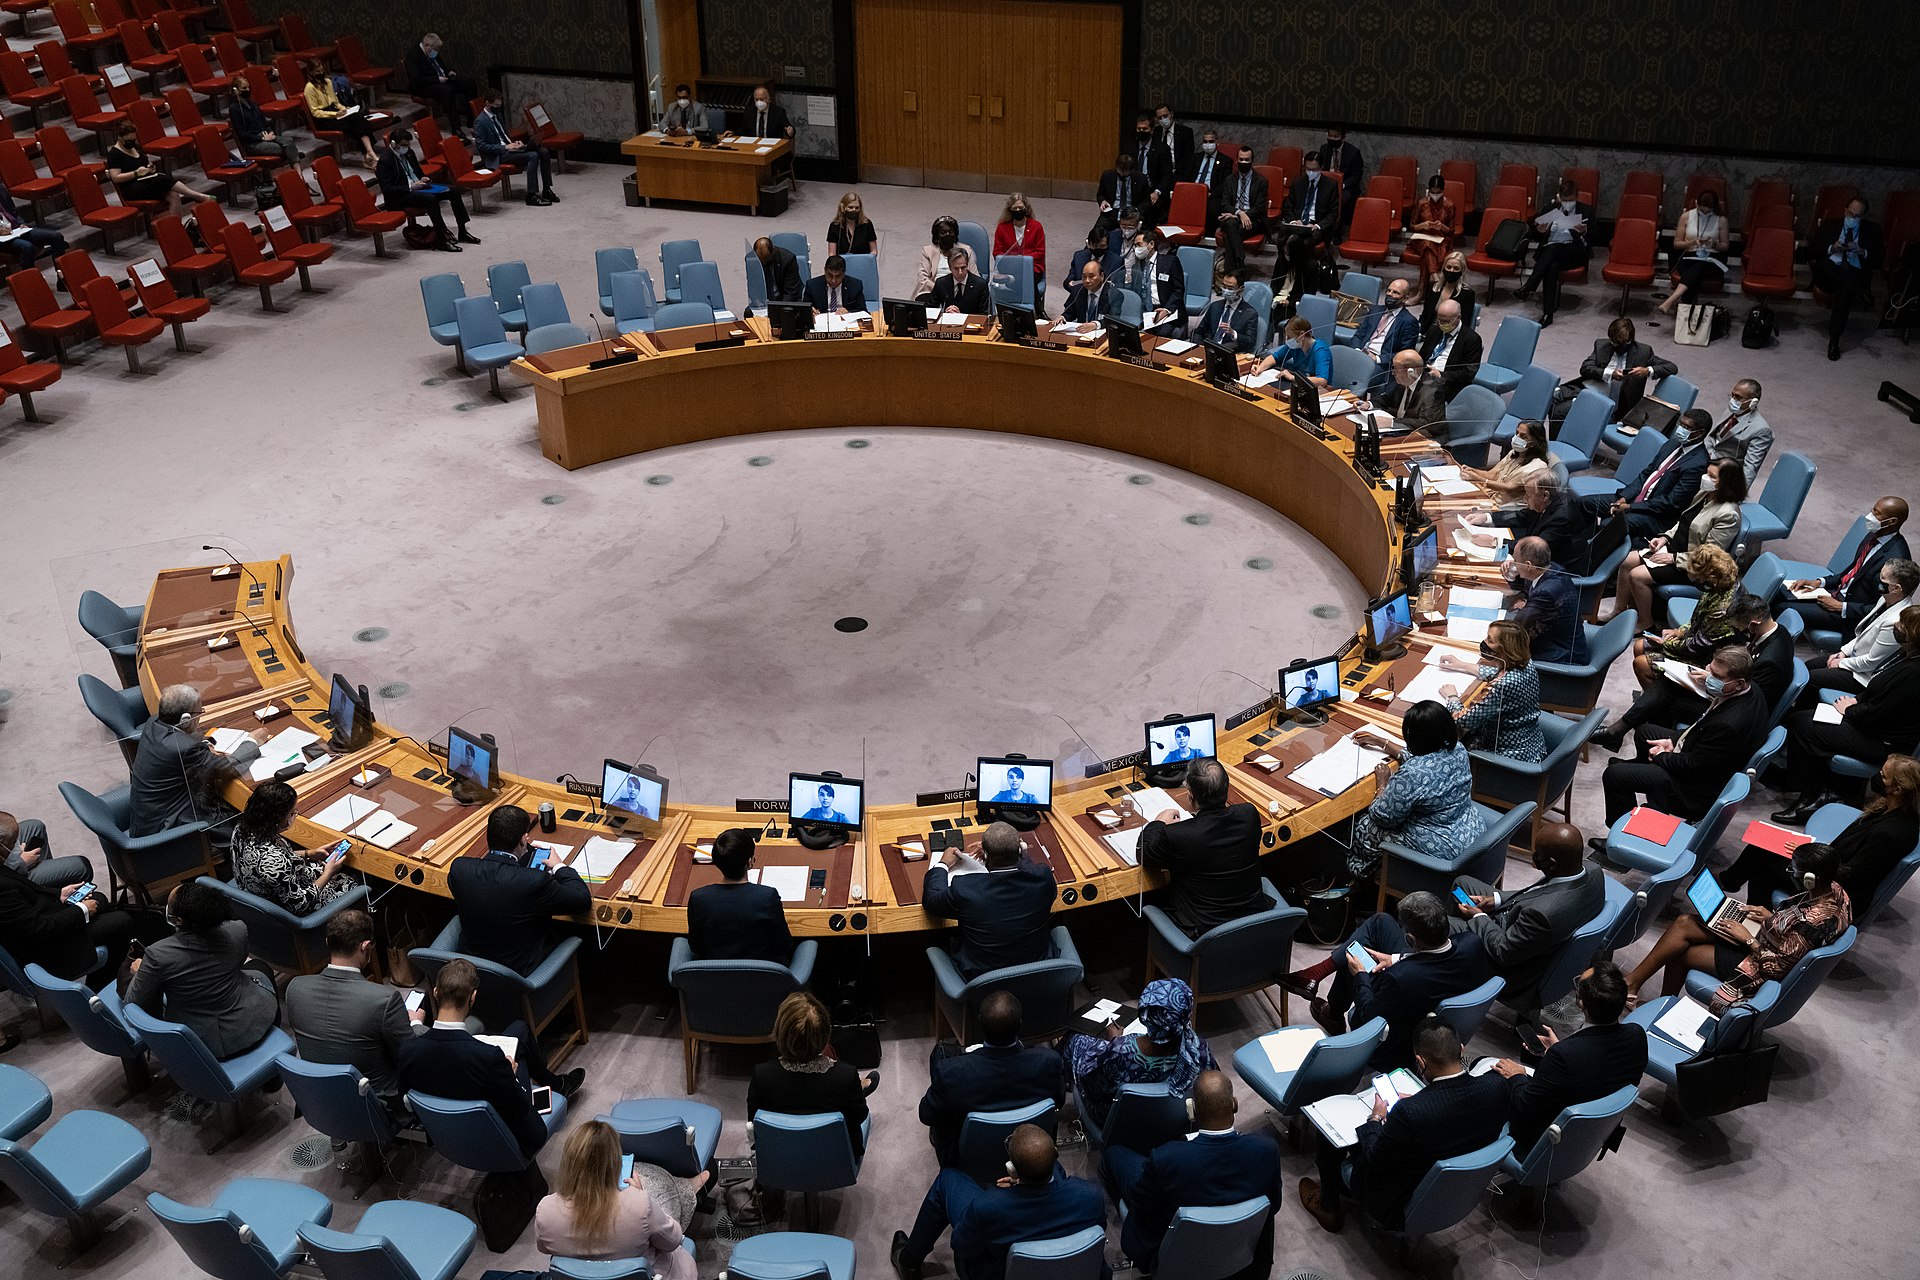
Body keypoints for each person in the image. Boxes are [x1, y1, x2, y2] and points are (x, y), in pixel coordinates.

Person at [1298, 1019, 1507, 1234]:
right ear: (1461, 1050)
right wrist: (1423, 1099)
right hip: (1455, 1190)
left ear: (1420, 1062)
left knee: (1329, 1129)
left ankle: (1328, 1207)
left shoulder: (1410, 1113)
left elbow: (1373, 1160)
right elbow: (1455, 1109)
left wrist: (1375, 1118)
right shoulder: (1497, 1087)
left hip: (1398, 1197)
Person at [1623, 841, 1850, 1007]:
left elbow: (1777, 968)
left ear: (1810, 879)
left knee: (1682, 953)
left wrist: (1747, 938)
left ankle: (1662, 1005)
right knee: (1684, 922)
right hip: (1770, 939)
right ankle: (1632, 984)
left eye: (1794, 870)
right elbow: (1793, 930)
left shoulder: (1812, 922)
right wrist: (1769, 917)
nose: (1791, 873)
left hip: (1762, 967)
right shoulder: (1836, 890)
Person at [396, 959, 582, 1160]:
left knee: (519, 1030)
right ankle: (557, 1085)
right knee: (518, 1046)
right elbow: (520, 1107)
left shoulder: (408, 1051)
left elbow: (409, 1103)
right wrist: (511, 1076)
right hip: (504, 1136)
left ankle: (557, 1084)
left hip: (448, 1137)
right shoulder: (488, 1058)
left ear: (435, 992)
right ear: (473, 997)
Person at [1112, 1071, 1283, 1279]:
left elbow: (1143, 1206)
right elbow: (1274, 1205)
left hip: (1179, 1261)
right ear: (1235, 1105)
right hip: (1246, 1262)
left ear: (1191, 1110)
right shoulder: (1266, 1150)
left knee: (1115, 1155)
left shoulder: (1166, 1159)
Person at [1300, 888, 1491, 1062]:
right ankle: (1319, 978)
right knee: (1381, 922)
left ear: (1411, 940)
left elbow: (1368, 1018)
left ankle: (1333, 1015)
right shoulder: (1472, 942)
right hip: (1433, 991)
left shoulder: (1400, 978)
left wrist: (1360, 975)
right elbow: (1436, 959)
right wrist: (1395, 959)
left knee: (1353, 956)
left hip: (1400, 1042)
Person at [895, 1123, 1105, 1280]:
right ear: (1055, 1154)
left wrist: (1000, 1193)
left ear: (1011, 1169)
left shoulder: (987, 1207)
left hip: (998, 1274)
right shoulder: (1090, 1194)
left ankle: (908, 1261)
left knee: (947, 1179)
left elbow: (963, 1247)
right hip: (1072, 1273)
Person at [1773, 605, 1920, 823]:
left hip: (1882, 742)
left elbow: (1879, 713)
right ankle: (1819, 785)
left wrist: (1849, 709)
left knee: (1805, 728)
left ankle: (1811, 797)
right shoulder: (1904, 655)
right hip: (1870, 723)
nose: (1896, 626)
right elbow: (1878, 685)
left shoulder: (1913, 674)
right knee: (1801, 718)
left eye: (1902, 625)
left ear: (1912, 635)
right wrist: (1856, 700)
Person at [1599, 645, 1769, 831]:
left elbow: (1694, 766)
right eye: (1711, 670)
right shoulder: (1749, 689)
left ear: (1739, 683)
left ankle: (1622, 831)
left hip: (1694, 788)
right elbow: (1701, 726)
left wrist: (1661, 756)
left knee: (1615, 775)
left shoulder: (1728, 725)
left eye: (1717, 676)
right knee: (1645, 732)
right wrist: (1672, 741)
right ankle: (1645, 779)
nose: (1709, 678)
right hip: (1703, 754)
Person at [1596, 593, 1792, 753]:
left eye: (1740, 628)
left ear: (1754, 625)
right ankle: (1621, 732)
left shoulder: (1770, 662)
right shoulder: (1777, 630)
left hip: (1729, 712)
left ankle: (1647, 746)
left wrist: (1711, 681)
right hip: (1728, 691)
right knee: (1668, 681)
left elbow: (1750, 701)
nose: (1738, 632)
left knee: (1664, 700)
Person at [1451, 821, 1603, 1025]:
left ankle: (1449, 958)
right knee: (1462, 884)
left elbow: (1503, 952)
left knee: (1442, 924)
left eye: (1537, 854)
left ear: (1552, 863)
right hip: (1528, 932)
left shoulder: (1543, 914)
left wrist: (1478, 917)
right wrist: (1497, 900)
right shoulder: (1592, 870)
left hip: (1515, 965)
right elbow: (1541, 892)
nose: (1533, 856)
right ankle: (1458, 960)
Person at [1487, 961, 1647, 1150]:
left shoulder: (1565, 1055)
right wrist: (1561, 1049)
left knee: (1489, 1077)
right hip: (1589, 1138)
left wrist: (1516, 1075)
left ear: (1581, 1004)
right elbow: (1599, 1073)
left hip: (1541, 1139)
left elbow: (1524, 1106)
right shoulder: (1637, 1036)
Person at [1725, 754, 1920, 909]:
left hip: (1832, 889)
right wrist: (1812, 849)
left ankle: (1740, 900)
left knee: (1762, 862)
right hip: (1832, 863)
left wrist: (1808, 857)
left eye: (1883, 776)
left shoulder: (1889, 834)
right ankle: (1734, 888)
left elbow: (1850, 877)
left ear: (1898, 790)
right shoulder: (1893, 809)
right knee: (1764, 849)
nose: (1877, 777)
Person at [127, 880, 279, 1059]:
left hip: (204, 1042)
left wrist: (139, 972)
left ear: (178, 920)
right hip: (252, 1022)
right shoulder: (237, 929)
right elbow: (238, 964)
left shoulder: (157, 955)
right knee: (259, 968)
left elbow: (133, 1002)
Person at [917, 992, 1065, 1167]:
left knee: (940, 1053)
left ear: (980, 1023)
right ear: (1020, 1025)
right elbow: (1059, 1101)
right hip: (1029, 1153)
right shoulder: (1049, 1062)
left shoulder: (951, 1073)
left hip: (968, 1158)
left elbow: (926, 1115)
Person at [536, 1120, 697, 1279]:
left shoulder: (546, 1210)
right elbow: (673, 1241)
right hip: (650, 1274)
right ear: (614, 1164)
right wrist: (640, 1195)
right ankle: (689, 1187)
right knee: (668, 1203)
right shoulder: (639, 1204)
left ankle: (688, 1187)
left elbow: (544, 1247)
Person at [284, 909, 419, 1098]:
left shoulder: (295, 988)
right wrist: (416, 1023)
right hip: (377, 1101)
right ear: (365, 947)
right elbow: (410, 1058)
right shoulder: (384, 1000)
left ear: (328, 943)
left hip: (320, 1096)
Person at [1345, 702, 1484, 883]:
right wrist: (1382, 742)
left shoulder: (1412, 773)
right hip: (1469, 835)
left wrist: (1382, 784)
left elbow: (1382, 816)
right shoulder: (1458, 749)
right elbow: (1425, 762)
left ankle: (1368, 876)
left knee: (1364, 826)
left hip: (1442, 850)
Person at [446, 803, 591, 976]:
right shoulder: (534, 881)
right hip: (517, 975)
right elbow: (582, 900)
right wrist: (559, 865)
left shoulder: (459, 869)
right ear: (523, 840)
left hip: (470, 969)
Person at [1062, 977, 1216, 1130]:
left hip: (1121, 1121)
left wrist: (1113, 1041)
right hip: (1173, 1119)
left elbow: (1091, 1086)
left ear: (1145, 1015)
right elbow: (1214, 1088)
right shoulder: (1199, 1048)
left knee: (1075, 1039)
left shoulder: (1121, 1052)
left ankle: (1056, 1090)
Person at [1610, 457, 1747, 627]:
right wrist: (1664, 538)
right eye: (1707, 473)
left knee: (1636, 576)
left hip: (1694, 566)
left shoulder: (1728, 514)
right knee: (1626, 561)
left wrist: (1674, 559)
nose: (1705, 478)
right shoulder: (1705, 494)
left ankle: (1646, 621)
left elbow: (1709, 555)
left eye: (1712, 476)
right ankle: (1619, 612)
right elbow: (1683, 521)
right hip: (1675, 549)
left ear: (1726, 482)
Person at [1137, 757, 1265, 938]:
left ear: (1190, 795)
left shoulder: (1180, 835)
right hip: (1255, 922)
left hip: (1206, 933)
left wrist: (1158, 823)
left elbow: (1144, 853)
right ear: (1227, 789)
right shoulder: (1249, 814)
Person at [921, 822, 1057, 979]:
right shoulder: (1043, 877)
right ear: (1020, 850)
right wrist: (1006, 851)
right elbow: (1029, 870)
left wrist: (943, 864)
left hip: (982, 978)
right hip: (1037, 972)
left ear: (985, 855)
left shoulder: (965, 889)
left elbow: (931, 900)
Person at [748, 991, 872, 1157]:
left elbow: (754, 1123)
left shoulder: (762, 1075)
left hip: (781, 1160)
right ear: (825, 1033)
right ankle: (860, 1089)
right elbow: (860, 1116)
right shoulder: (846, 1076)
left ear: (780, 1031)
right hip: (835, 1160)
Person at [129, 684, 261, 838]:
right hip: (168, 828)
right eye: (199, 712)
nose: (200, 716)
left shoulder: (153, 722)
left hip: (148, 817)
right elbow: (227, 768)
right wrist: (252, 742)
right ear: (185, 720)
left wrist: (203, 744)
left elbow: (182, 740)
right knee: (250, 820)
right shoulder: (186, 749)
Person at [0, 854, 139, 991]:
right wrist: (82, 910)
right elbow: (40, 929)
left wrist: (59, 894)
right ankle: (100, 987)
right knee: (122, 921)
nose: (17, 846)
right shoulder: (3, 888)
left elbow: (29, 894)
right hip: (47, 947)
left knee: (99, 899)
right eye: (11, 843)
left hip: (42, 918)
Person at [1784, 496, 1910, 640]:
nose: (1870, 516)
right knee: (1781, 592)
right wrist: (1819, 582)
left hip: (1850, 616)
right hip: (1836, 593)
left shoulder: (1898, 560)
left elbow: (1886, 608)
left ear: (1892, 521)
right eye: (1872, 510)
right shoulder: (1873, 536)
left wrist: (1841, 607)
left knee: (1783, 607)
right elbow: (1852, 572)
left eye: (1877, 513)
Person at [1803, 557, 1920, 700]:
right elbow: (1864, 633)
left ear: (1896, 588)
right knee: (1810, 665)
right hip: (1855, 656)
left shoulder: (1895, 621)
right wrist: (1843, 652)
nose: (1877, 580)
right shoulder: (1885, 598)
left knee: (1813, 678)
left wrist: (1841, 663)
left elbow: (1872, 662)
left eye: (1883, 578)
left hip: (1863, 676)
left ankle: (1803, 711)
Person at [232, 780, 355, 916]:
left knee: (326, 866)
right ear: (278, 818)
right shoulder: (275, 862)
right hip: (289, 906)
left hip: (258, 884)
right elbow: (300, 904)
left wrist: (309, 853)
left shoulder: (242, 827)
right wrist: (328, 874)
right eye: (292, 813)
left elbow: (276, 856)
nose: (294, 815)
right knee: (352, 881)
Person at [1435, 619, 1546, 762]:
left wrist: (1452, 697)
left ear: (1504, 650)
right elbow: (1497, 673)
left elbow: (1463, 720)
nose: (1484, 642)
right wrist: (1461, 665)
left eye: (1490, 640)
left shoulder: (1501, 686)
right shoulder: (1526, 664)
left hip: (1508, 755)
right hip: (1532, 743)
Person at [1629, 546, 1743, 684]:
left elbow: (1697, 647)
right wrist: (1680, 631)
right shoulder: (1719, 586)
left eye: (1697, 578)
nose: (1695, 581)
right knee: (1639, 646)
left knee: (1641, 664)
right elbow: (1697, 618)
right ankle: (1661, 688)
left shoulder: (1723, 610)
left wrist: (1666, 644)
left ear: (1709, 578)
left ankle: (1664, 695)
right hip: (1698, 643)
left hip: (1709, 660)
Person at [1597, 408, 1715, 541]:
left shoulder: (1699, 464)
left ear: (1700, 433)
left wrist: (1630, 507)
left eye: (1686, 427)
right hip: (1634, 499)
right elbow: (1646, 474)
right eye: (1680, 424)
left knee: (1608, 525)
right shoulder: (1672, 444)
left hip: (1656, 515)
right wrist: (1625, 497)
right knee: (1585, 503)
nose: (1680, 429)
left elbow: (1671, 503)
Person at [686, 828, 792, 963]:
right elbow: (784, 945)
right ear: (750, 862)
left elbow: (696, 947)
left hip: (714, 974)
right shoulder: (767, 897)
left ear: (716, 862)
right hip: (761, 972)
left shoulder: (698, 898)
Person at [376, 127, 478, 249]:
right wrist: (410, 187)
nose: (406, 148)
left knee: (453, 191)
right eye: (403, 145)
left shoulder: (409, 152)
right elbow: (387, 189)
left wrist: (423, 178)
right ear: (393, 143)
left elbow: (419, 172)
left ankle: (462, 231)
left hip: (419, 187)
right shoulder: (385, 161)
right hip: (401, 195)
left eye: (408, 145)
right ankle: (442, 238)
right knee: (430, 199)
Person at [1470, 471, 1590, 575]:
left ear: (1545, 495)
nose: (1524, 498)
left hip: (1558, 570)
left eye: (1528, 495)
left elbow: (1536, 550)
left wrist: (1495, 542)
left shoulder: (1562, 518)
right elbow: (1521, 515)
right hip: (1539, 557)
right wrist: (1487, 517)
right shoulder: (1548, 501)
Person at [1810, 196, 1882, 360]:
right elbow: (1811, 251)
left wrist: (1862, 251)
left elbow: (1878, 261)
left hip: (1852, 272)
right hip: (1829, 273)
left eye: (1857, 216)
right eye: (1850, 214)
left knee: (1844, 291)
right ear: (1845, 211)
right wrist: (1832, 248)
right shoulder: (1830, 225)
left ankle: (1834, 340)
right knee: (1824, 264)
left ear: (1862, 217)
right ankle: (1859, 291)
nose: (1852, 218)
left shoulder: (1872, 230)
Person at [1517, 179, 1592, 325]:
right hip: (1550, 253)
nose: (1568, 203)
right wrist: (1539, 231)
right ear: (1559, 198)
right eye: (1565, 200)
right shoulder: (1549, 210)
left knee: (1554, 248)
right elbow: (1535, 234)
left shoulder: (1586, 211)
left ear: (1577, 197)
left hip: (1573, 253)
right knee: (1552, 266)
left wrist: (1584, 231)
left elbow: (1595, 236)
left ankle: (1529, 285)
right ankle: (1547, 314)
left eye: (1571, 200)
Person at [1572, 316, 1678, 419]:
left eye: (1624, 342)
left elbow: (1671, 367)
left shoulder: (1643, 352)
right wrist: (1610, 374)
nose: (1620, 346)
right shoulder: (1602, 345)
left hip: (1621, 406)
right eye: (1616, 342)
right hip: (1592, 394)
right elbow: (1585, 368)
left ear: (1631, 339)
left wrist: (1647, 371)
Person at [1504, 534, 1587, 664]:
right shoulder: (1550, 568)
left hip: (1560, 654)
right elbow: (1527, 590)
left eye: (1515, 560)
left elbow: (1517, 627)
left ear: (1528, 565)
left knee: (1498, 647)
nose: (1512, 563)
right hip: (1552, 635)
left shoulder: (1546, 592)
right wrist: (1512, 576)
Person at [104, 122, 213, 218]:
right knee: (162, 178)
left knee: (173, 194)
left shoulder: (136, 147)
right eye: (129, 140)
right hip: (132, 188)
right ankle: (197, 196)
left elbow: (145, 163)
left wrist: (150, 168)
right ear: (120, 137)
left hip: (146, 182)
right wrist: (136, 173)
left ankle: (176, 227)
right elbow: (116, 177)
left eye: (134, 139)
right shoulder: (114, 154)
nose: (132, 142)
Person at [475, 89, 555, 207]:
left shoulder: (497, 115)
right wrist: (505, 147)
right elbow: (481, 146)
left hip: (510, 148)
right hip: (499, 155)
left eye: (500, 105)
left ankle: (547, 189)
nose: (498, 108)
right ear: (487, 103)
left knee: (543, 151)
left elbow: (503, 135)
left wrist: (514, 143)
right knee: (533, 156)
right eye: (496, 105)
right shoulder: (480, 121)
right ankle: (531, 195)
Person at [1274, 151, 1338, 295]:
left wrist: (1318, 225)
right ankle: (1284, 279)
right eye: (1308, 169)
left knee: (1298, 243)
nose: (1311, 172)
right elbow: (1288, 207)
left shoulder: (1330, 185)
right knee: (1282, 240)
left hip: (1316, 227)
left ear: (1321, 168)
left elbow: (1333, 214)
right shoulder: (1298, 182)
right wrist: (1294, 221)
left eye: (1314, 169)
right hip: (1297, 225)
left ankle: (1295, 281)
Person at [1658, 189, 1729, 318]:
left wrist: (1713, 244)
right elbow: (1677, 244)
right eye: (1702, 211)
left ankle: (1674, 300)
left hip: (1712, 258)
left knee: (1701, 266)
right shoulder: (1686, 216)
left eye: (1708, 212)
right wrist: (1692, 243)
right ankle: (1685, 306)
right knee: (1696, 270)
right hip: (1689, 255)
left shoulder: (1721, 220)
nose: (1704, 214)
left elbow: (1725, 246)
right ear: (1696, 204)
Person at [230, 74, 308, 189]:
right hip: (253, 143)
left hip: (266, 137)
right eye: (244, 88)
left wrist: (270, 132)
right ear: (236, 90)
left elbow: (265, 123)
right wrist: (261, 138)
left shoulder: (253, 104)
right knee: (284, 148)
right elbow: (242, 134)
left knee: (289, 141)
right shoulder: (234, 109)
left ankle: (299, 177)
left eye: (248, 87)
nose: (247, 90)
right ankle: (298, 176)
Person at [1346, 276, 1420, 396]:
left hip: (1381, 363)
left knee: (1357, 378)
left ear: (1405, 298)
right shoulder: (1375, 310)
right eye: (1389, 290)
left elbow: (1404, 354)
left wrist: (1377, 359)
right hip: (1360, 353)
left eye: (1395, 293)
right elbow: (1359, 335)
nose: (1390, 294)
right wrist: (1357, 351)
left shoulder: (1409, 322)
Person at [305, 60, 379, 168]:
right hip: (324, 119)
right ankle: (368, 154)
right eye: (317, 71)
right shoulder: (309, 88)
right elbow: (315, 112)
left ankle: (369, 152)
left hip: (335, 112)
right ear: (311, 72)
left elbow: (335, 102)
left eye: (322, 70)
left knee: (358, 117)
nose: (320, 73)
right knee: (356, 123)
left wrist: (343, 109)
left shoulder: (328, 82)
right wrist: (335, 114)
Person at [1460, 417, 1551, 504]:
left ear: (1534, 443)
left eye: (1523, 436)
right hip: (1490, 495)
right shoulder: (1514, 453)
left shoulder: (1537, 467)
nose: (1516, 438)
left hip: (1506, 507)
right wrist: (1472, 470)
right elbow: (1492, 474)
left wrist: (1478, 479)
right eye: (1517, 433)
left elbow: (1509, 489)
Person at [1208, 144, 1267, 272]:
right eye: (1241, 159)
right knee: (1231, 224)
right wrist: (1239, 213)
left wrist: (1242, 215)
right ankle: (1239, 262)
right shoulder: (1229, 180)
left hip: (1252, 220)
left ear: (1252, 161)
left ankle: (1232, 270)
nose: (1243, 162)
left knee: (1229, 233)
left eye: (1247, 160)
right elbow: (1224, 204)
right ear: (1237, 161)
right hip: (1233, 217)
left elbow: (1259, 208)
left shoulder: (1261, 181)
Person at [1113, 227, 1184, 334]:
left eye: (1139, 245)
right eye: (1134, 245)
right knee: (1126, 331)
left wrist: (1167, 309)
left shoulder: (1170, 262)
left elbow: (1178, 290)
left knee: (1161, 334)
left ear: (1151, 244)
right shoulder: (1136, 266)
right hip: (1144, 310)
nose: (1136, 249)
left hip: (1165, 308)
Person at [1705, 378, 1773, 486]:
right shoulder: (1731, 410)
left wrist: (1738, 493)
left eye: (1738, 397)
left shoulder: (1761, 430)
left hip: (1723, 472)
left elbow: (1750, 467)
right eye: (1732, 395)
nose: (1733, 400)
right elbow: (1713, 436)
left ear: (1753, 402)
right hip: (1705, 458)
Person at [404, 33, 477, 132]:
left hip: (441, 80)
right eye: (436, 49)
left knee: (469, 83)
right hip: (425, 86)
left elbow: (440, 67)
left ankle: (472, 120)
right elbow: (416, 79)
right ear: (427, 46)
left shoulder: (432, 51)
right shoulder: (413, 56)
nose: (437, 52)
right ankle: (456, 127)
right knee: (447, 90)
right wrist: (437, 79)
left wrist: (448, 72)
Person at [0, 810, 91, 889]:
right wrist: (20, 863)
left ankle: (49, 886)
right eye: (14, 842)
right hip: (7, 878)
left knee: (35, 826)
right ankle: (43, 893)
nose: (17, 844)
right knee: (82, 866)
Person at [991, 192, 1046, 315]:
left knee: (1025, 278)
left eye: (1020, 208)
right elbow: (997, 252)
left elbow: (1040, 252)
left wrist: (1024, 259)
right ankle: (1036, 311)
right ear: (1009, 210)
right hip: (1010, 267)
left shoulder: (1036, 226)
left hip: (1032, 268)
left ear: (1026, 208)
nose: (1018, 211)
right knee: (1022, 280)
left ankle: (1014, 311)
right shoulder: (1002, 228)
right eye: (1015, 208)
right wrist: (1014, 260)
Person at [1419, 297, 1482, 401]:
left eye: (1446, 321)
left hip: (1447, 382)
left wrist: (1441, 375)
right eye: (1439, 320)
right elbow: (1423, 354)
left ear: (1458, 317)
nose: (1441, 324)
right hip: (1425, 374)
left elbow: (1468, 372)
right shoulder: (1434, 329)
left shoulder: (1472, 339)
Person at [1372, 350, 1444, 434]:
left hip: (1422, 436)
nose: (1393, 373)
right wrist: (1369, 404)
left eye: (1396, 369)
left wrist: (1392, 422)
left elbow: (1427, 424)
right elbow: (1387, 398)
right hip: (1400, 432)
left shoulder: (1432, 390)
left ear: (1410, 373)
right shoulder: (1404, 381)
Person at [1406, 174, 1456, 288]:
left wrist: (1442, 227)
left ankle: (1422, 289)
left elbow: (1451, 230)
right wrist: (1423, 225)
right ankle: (1435, 276)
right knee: (1427, 244)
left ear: (1443, 190)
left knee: (1427, 251)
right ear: (1429, 190)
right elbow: (1412, 226)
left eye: (1438, 192)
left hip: (1440, 240)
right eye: (1433, 192)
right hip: (1421, 238)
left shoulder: (1449, 205)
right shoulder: (1422, 203)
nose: (1435, 195)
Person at [1195, 265, 1258, 353]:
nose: (1226, 290)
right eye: (1224, 287)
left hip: (1228, 353)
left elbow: (1251, 341)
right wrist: (1197, 349)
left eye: (1230, 288)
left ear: (1241, 289)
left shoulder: (1250, 313)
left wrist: (1233, 333)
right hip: (1208, 350)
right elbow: (1199, 331)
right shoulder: (1214, 306)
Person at [1127, 112, 1172, 230]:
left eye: (1145, 129)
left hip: (1152, 190)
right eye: (1139, 129)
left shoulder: (1162, 149)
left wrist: (1157, 192)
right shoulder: (1130, 147)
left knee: (1151, 209)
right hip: (1133, 189)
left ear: (1151, 130)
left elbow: (1167, 175)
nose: (1141, 131)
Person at [1257, 314, 1332, 384]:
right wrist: (1260, 368)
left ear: (1301, 334)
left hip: (1319, 390)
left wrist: (1293, 378)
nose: (1287, 340)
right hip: (1299, 385)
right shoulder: (1295, 346)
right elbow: (1274, 358)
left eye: (1290, 337)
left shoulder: (1320, 350)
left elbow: (1322, 380)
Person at [1315, 126, 1365, 228]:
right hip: (1326, 184)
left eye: (1335, 136)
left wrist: (1343, 185)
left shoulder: (1353, 152)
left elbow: (1356, 176)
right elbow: (1320, 168)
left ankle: (1335, 227)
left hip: (1345, 187)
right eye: (1330, 136)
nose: (1332, 139)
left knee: (1339, 200)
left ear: (1343, 137)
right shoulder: (1324, 149)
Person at [1419, 249, 1476, 332]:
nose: (1451, 271)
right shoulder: (1434, 288)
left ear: (1462, 271)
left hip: (1451, 333)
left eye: (1456, 268)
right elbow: (1425, 315)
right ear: (1443, 268)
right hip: (1429, 331)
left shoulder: (1467, 294)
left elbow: (1465, 323)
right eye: (1448, 267)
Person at [914, 217, 968, 300]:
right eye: (943, 233)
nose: (947, 235)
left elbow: (974, 277)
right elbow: (923, 279)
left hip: (960, 291)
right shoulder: (928, 251)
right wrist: (941, 290)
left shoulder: (966, 250)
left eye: (950, 232)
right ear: (937, 236)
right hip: (933, 291)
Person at [1095, 152, 1146, 237]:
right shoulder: (1107, 175)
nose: (1122, 174)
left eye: (1124, 172)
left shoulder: (1141, 179)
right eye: (1120, 171)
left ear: (1132, 170)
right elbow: (1100, 194)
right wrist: (1103, 201)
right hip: (1112, 211)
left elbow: (1146, 202)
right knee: (1097, 232)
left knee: (1143, 235)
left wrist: (1136, 210)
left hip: (1132, 213)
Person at [931, 247, 990, 316]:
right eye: (956, 268)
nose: (960, 272)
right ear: (950, 268)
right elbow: (930, 309)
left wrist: (960, 316)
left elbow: (985, 314)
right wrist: (944, 314)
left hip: (971, 322)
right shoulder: (941, 283)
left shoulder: (980, 285)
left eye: (963, 267)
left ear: (967, 265)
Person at [1059, 258, 1117, 324]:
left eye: (1091, 276)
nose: (1087, 281)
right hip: (1081, 329)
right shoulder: (1077, 290)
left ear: (1102, 276)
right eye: (1084, 277)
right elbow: (1070, 312)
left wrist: (1096, 324)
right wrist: (1063, 317)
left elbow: (1114, 319)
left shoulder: (1114, 294)